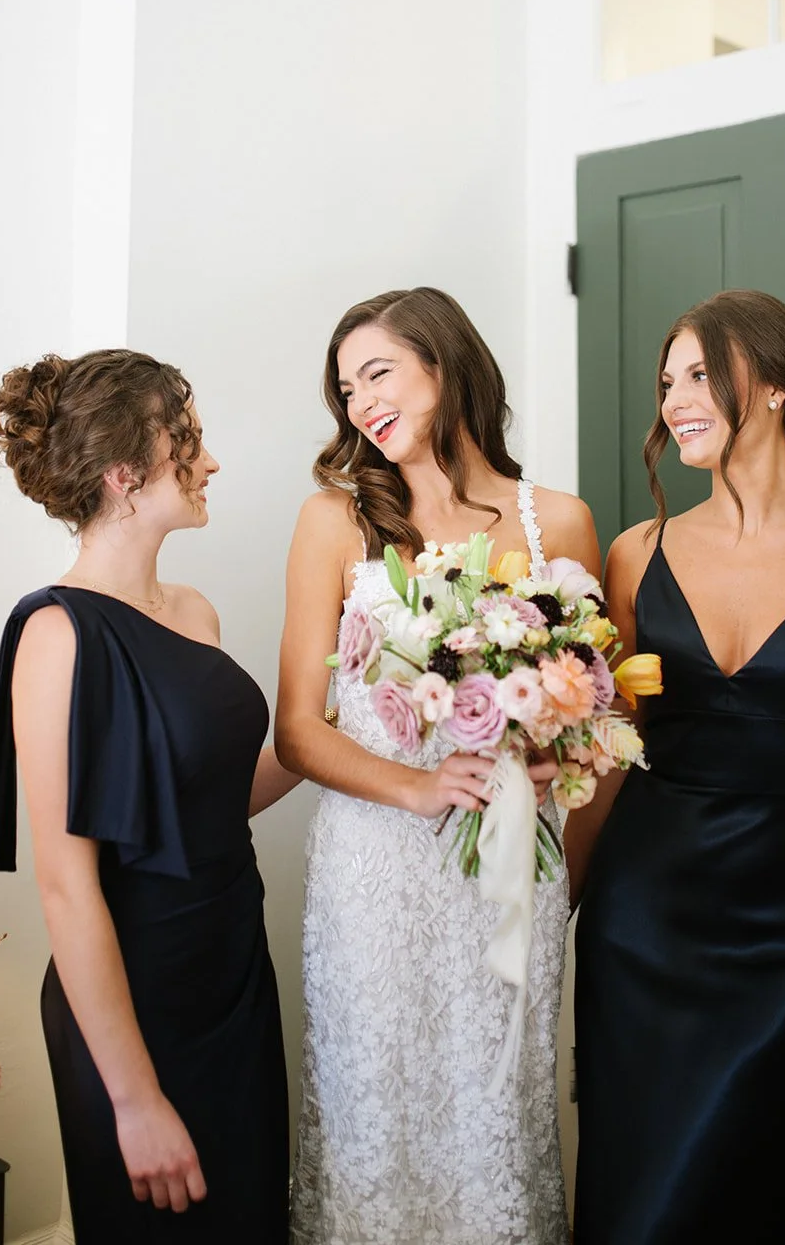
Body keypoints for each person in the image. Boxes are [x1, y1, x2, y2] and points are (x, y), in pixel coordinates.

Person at [276, 287, 599, 1245]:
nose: (361, 402)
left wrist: (544, 752)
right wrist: (420, 786)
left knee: (496, 1114)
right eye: (346, 389)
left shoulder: (561, 524)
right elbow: (299, 728)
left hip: (507, 871)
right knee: (376, 1114)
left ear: (445, 363)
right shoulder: (335, 523)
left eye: (378, 371)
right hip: (374, 872)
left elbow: (589, 709)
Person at [0, 350, 297, 1243]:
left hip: (232, 972)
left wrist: (331, 735)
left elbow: (206, 807)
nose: (210, 459)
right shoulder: (57, 635)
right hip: (130, 1001)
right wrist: (136, 1099)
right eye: (188, 437)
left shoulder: (194, 611)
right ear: (125, 473)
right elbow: (68, 888)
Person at [567, 290, 785, 1244]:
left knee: (763, 1187)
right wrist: (552, 908)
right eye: (667, 381)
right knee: (640, 1196)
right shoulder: (635, 555)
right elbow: (611, 750)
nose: (675, 399)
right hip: (645, 919)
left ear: (777, 384)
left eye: (701, 374)